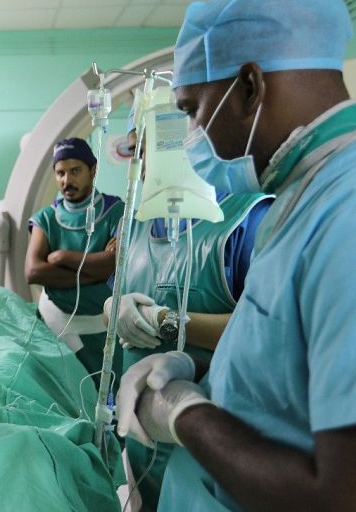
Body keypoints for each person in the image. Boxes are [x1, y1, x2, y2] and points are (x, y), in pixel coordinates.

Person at [116, 0, 356, 511]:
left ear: (249, 86)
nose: (192, 137)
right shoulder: (298, 199)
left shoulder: (348, 212)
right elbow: (283, 375)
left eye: (191, 110)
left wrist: (187, 414)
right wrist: (199, 371)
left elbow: (341, 493)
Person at [106, 127, 272, 511]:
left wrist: (170, 321)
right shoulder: (133, 223)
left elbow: (265, 329)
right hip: (140, 437)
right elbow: (117, 291)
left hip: (215, 435)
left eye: (151, 148)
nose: (142, 164)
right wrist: (113, 309)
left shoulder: (248, 219)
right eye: (136, 150)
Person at [25, 137, 124, 377]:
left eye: (75, 171)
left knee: (110, 396)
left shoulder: (115, 211)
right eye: (60, 173)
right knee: (66, 397)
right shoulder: (46, 218)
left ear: (93, 170)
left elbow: (117, 263)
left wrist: (61, 256)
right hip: (56, 325)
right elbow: (34, 272)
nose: (67, 180)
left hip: (104, 328)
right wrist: (97, 270)